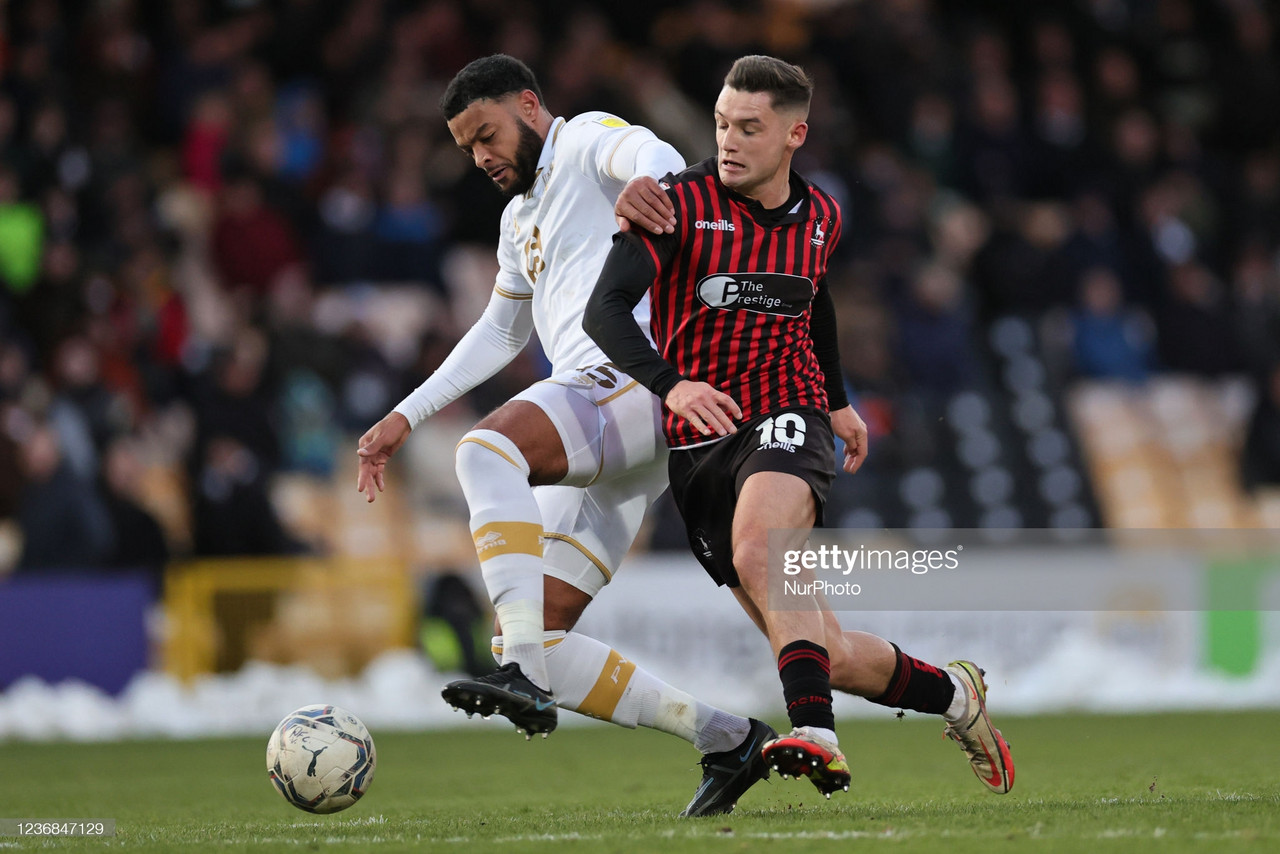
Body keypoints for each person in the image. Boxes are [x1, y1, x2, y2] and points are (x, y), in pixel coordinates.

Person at [356, 55, 773, 817]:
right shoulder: (520, 220)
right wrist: (404, 414)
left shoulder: (582, 142)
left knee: (486, 451)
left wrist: (655, 182)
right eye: (466, 148)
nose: (480, 156)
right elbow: (498, 333)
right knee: (536, 634)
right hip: (621, 437)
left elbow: (641, 150)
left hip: (635, 381)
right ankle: (728, 739)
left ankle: (521, 679)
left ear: (528, 105)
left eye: (486, 134)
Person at [585, 55, 1014, 798]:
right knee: (830, 651)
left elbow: (812, 301)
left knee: (764, 550)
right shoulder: (674, 205)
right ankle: (955, 697)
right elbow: (605, 311)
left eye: (749, 128)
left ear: (794, 135)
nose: (729, 141)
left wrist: (837, 400)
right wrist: (673, 383)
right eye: (722, 124)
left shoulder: (823, 216)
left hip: (788, 413)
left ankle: (814, 734)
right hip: (698, 446)